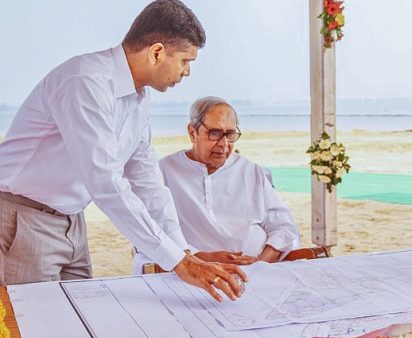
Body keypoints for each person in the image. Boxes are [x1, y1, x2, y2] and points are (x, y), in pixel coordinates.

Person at [0, 0, 245, 302]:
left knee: (79, 320)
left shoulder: (138, 98)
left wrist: (183, 251)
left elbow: (147, 183)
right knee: (31, 328)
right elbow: (106, 182)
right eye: (185, 60)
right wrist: (178, 263)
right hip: (22, 220)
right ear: (157, 52)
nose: (187, 72)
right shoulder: (85, 81)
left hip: (72, 220)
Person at [134, 97, 301, 273]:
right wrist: (200, 258)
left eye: (230, 134)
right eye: (214, 133)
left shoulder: (251, 171)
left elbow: (284, 228)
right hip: (196, 272)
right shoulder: (164, 172)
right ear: (192, 133)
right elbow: (149, 233)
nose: (223, 144)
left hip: (259, 271)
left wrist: (259, 264)